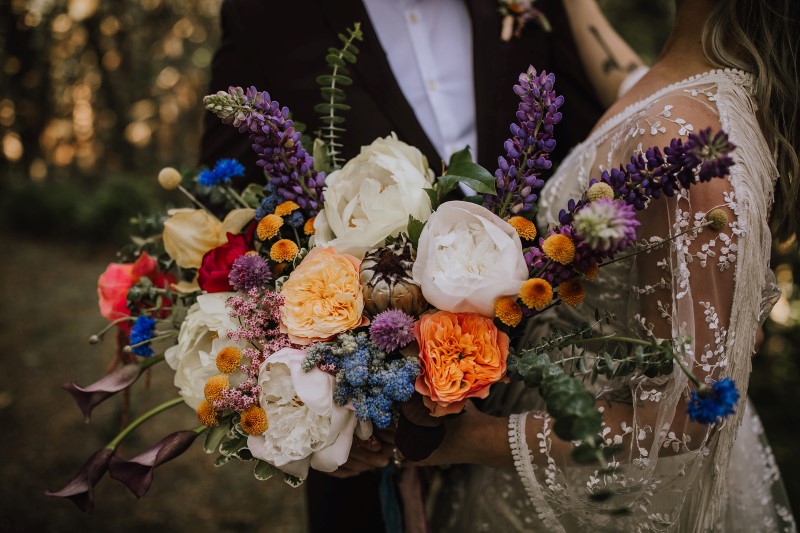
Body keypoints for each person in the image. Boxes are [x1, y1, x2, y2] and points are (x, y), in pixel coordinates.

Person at [335, 0, 798, 530]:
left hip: (587, 484)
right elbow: (631, 86)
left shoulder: (684, 140)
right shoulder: (685, 93)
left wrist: (473, 440)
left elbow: (689, 414)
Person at [199, 1, 606, 531]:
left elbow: (591, 146)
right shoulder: (266, 14)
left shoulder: (534, 9)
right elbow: (229, 210)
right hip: (360, 426)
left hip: (541, 401)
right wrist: (314, 389)